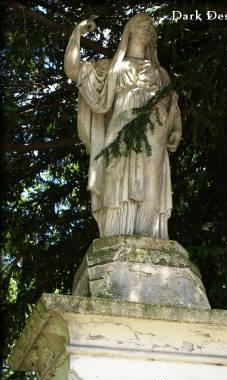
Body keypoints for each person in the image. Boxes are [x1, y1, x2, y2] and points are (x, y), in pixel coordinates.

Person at [64, 13, 182, 239]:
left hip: (154, 131)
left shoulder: (160, 74)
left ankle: (150, 236)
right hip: (121, 128)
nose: (147, 27)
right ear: (129, 29)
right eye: (141, 22)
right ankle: (114, 234)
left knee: (151, 179)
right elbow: (73, 70)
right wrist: (76, 34)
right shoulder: (110, 68)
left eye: (151, 25)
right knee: (115, 174)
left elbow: (172, 108)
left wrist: (176, 129)